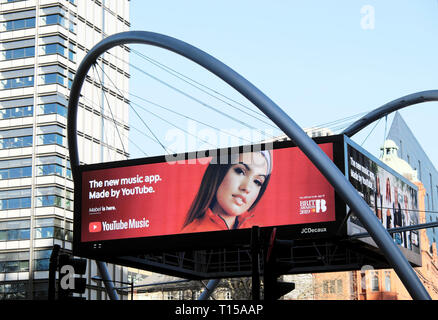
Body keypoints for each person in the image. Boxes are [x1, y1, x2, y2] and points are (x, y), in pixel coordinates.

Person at [181, 150, 272, 233]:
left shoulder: (258, 235)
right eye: (240, 171)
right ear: (219, 171)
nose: (247, 188)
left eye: (257, 182)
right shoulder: (192, 233)